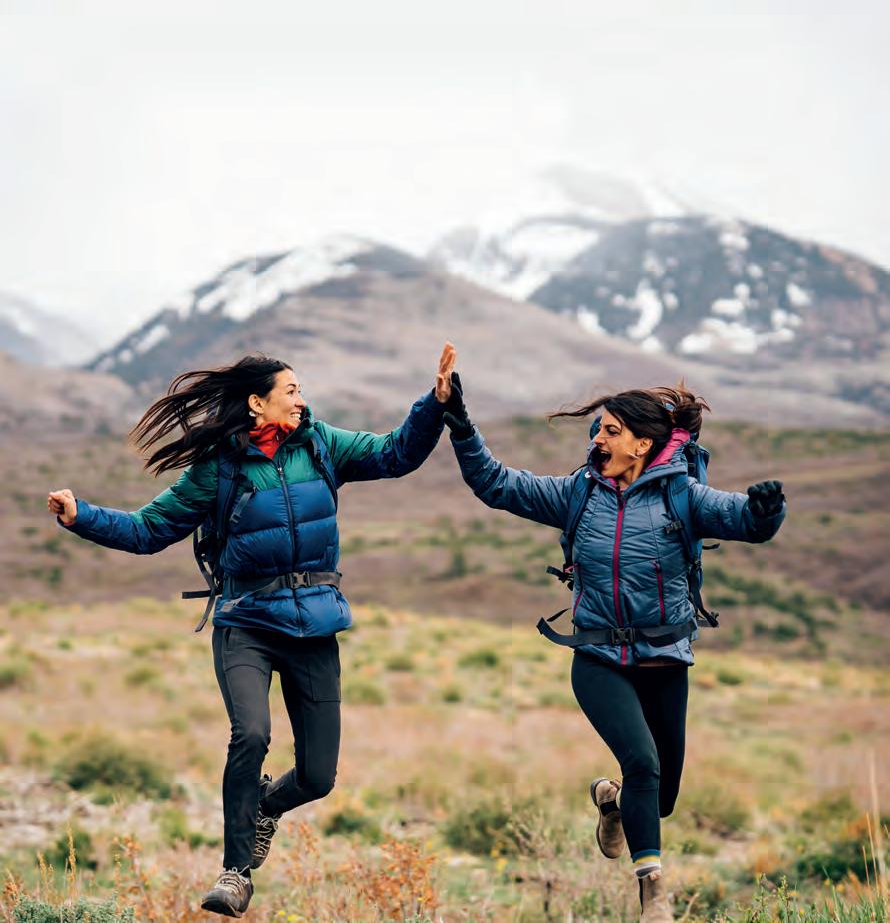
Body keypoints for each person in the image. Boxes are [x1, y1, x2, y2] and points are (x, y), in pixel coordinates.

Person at [48, 344, 457, 919]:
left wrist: (434, 404)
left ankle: (264, 807)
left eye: (300, 390)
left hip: (314, 624)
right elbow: (147, 530)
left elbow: (396, 454)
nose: (301, 399)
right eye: (291, 390)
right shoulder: (218, 470)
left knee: (317, 777)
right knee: (251, 734)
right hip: (247, 622)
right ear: (257, 403)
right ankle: (235, 872)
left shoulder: (322, 445)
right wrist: (81, 516)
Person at [442, 377, 785, 923]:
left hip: (664, 659)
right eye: (599, 429)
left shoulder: (682, 496)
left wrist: (766, 512)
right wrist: (459, 422)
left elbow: (745, 521)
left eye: (610, 430)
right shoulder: (578, 494)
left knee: (660, 798)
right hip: (597, 658)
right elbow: (495, 483)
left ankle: (612, 800)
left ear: (642, 444)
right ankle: (654, 894)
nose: (597, 439)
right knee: (643, 764)